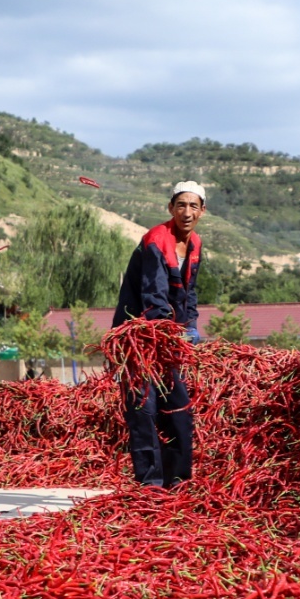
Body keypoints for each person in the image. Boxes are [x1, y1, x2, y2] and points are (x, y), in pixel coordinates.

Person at [112, 181, 204, 489]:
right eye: (181, 205)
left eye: (193, 206)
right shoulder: (155, 240)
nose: (186, 212)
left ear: (202, 211)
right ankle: (150, 485)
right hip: (138, 335)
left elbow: (188, 293)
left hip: (167, 339)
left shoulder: (195, 246)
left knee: (178, 406)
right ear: (170, 208)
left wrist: (190, 323)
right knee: (144, 407)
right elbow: (154, 295)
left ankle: (176, 481)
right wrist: (170, 331)